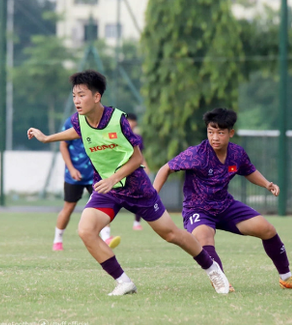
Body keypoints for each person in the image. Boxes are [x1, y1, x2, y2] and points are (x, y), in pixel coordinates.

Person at [27, 70, 230, 296]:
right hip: (107, 190)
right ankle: (123, 281)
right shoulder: (79, 120)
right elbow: (76, 131)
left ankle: (212, 268)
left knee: (171, 234)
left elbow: (137, 159)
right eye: (74, 95)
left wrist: (114, 178)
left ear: (96, 97)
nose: (76, 100)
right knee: (86, 230)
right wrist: (47, 138)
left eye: (82, 95)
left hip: (136, 187)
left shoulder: (118, 120)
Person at [153, 108, 292, 292]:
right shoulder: (196, 154)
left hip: (225, 206)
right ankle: (221, 281)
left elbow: (249, 171)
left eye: (220, 133)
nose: (215, 137)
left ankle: (286, 278)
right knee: (204, 237)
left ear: (231, 133)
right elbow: (166, 168)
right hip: (198, 209)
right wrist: (153, 195)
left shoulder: (237, 153)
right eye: (211, 132)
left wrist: (267, 184)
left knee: (267, 229)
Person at [53, 116, 120, 251]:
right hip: (75, 175)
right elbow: (63, 146)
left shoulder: (101, 121)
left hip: (95, 174)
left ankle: (106, 237)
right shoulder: (71, 122)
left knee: (103, 204)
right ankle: (57, 240)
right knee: (69, 207)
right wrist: (71, 168)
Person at [126, 113, 150, 231]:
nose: (132, 124)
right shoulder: (118, 136)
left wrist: (145, 165)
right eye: (129, 121)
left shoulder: (138, 138)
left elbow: (140, 155)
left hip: (136, 170)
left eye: (133, 121)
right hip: (121, 171)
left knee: (141, 195)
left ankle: (137, 222)